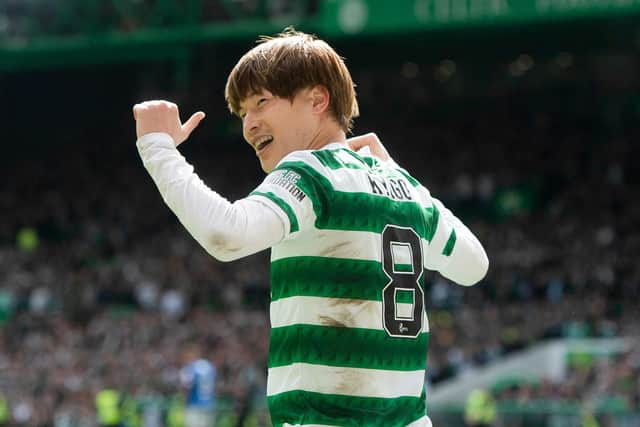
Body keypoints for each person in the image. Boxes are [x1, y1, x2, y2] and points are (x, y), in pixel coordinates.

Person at [133, 28, 488, 427]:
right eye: (244, 113)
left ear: (318, 99)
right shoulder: (406, 189)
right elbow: (473, 266)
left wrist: (157, 147)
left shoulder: (312, 172)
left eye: (262, 102)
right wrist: (400, 175)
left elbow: (226, 235)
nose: (249, 124)